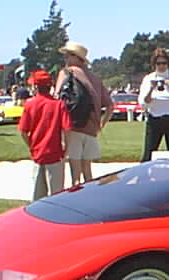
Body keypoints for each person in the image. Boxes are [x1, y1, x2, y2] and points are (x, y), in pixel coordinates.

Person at [55, 41, 114, 183]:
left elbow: (58, 99)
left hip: (73, 127)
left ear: (75, 57)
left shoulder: (65, 73)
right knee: (87, 171)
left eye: (68, 56)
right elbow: (110, 106)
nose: (66, 59)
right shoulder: (95, 78)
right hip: (91, 128)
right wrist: (100, 125)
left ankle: (76, 202)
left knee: (75, 173)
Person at [19, 70, 72, 201]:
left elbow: (23, 131)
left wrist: (31, 146)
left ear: (36, 87)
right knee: (57, 196)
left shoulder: (30, 104)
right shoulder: (58, 105)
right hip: (55, 153)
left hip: (37, 153)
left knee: (37, 197)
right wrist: (66, 148)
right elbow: (67, 129)